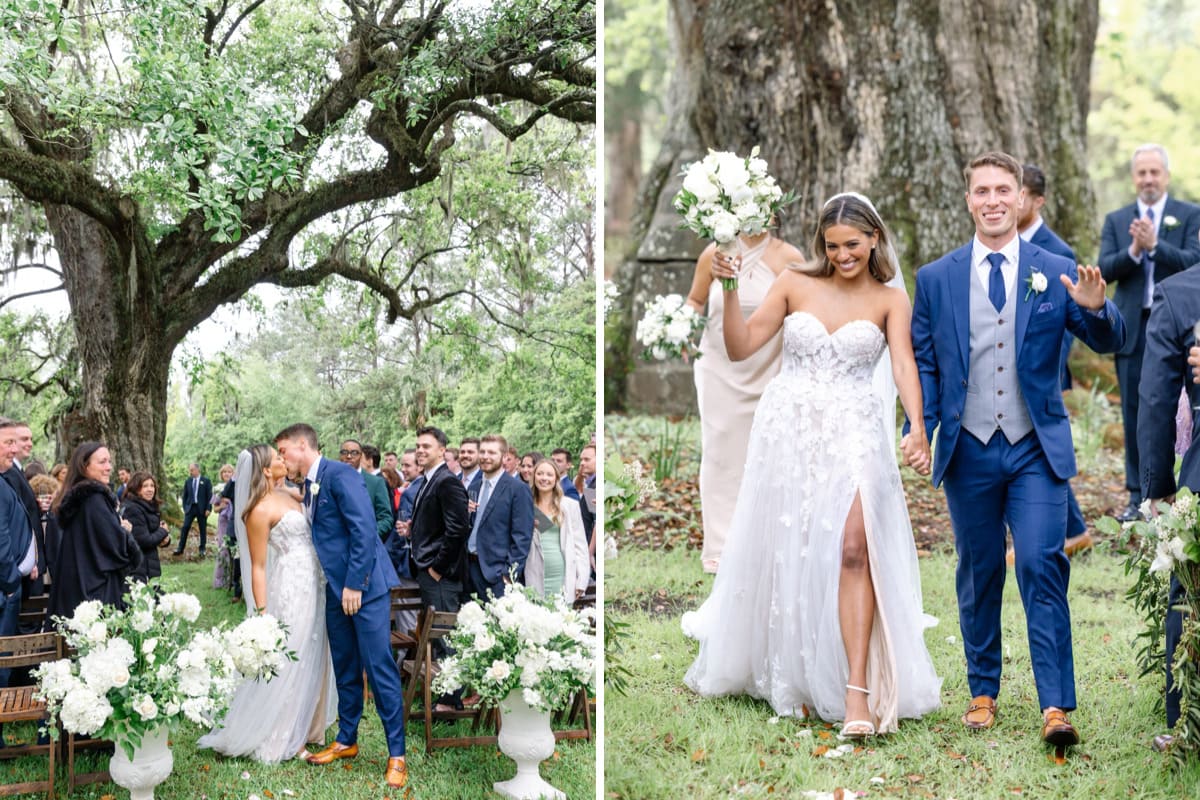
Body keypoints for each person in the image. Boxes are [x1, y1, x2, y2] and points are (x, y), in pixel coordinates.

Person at [684, 193, 940, 737]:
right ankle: (795, 675)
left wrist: (916, 427)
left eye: (852, 244)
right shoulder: (795, 283)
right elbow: (740, 346)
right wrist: (729, 290)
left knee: (854, 547)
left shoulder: (891, 299)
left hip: (855, 432)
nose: (843, 255)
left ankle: (856, 693)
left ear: (873, 239)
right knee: (793, 550)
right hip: (790, 433)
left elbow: (902, 363)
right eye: (832, 246)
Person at [906, 152, 1126, 749]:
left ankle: (1056, 705)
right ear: (969, 199)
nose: (994, 199)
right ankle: (983, 692)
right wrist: (920, 426)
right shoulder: (936, 278)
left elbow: (1110, 339)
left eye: (1004, 189)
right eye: (983, 190)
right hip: (969, 448)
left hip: (1035, 448)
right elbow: (924, 362)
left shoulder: (1053, 268)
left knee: (1038, 565)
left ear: (1022, 198)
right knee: (978, 572)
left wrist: (1096, 309)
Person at [273, 424, 407, 788]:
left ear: (303, 445)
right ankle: (347, 739)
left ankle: (397, 754)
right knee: (344, 665)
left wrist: (354, 584)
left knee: (378, 668)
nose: (282, 459)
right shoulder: (310, 483)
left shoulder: (341, 473)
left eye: (284, 451)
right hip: (335, 589)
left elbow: (364, 529)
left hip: (364, 587)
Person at [198, 445, 337, 763]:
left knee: (313, 649)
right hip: (290, 585)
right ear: (264, 469)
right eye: (278, 458)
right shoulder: (258, 510)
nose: (284, 460)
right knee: (293, 652)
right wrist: (261, 614)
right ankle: (281, 733)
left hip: (315, 582)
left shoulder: (293, 494)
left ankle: (306, 725)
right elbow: (258, 566)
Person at [686, 230, 805, 574]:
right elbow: (695, 300)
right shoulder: (713, 253)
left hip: (768, 364)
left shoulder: (789, 257)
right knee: (720, 449)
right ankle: (720, 546)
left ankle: (763, 538)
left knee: (765, 450)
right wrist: (680, 329)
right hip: (718, 367)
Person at [1099, 144, 1200, 522]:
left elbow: (1194, 262)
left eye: (1154, 172)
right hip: (1134, 328)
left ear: (1166, 176)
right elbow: (1104, 268)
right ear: (1133, 178)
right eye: (1141, 173)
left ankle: (1184, 484)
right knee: (1138, 411)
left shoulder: (1189, 215)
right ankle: (1137, 493)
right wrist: (1136, 251)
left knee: (1188, 405)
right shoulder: (1117, 219)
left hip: (1184, 325)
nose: (1148, 179)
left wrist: (1157, 246)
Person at [1137, 268, 1200, 751]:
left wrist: (1158, 489)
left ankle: (1185, 728)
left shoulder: (1178, 293)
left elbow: (1157, 399)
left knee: (1191, 586)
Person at [1013, 165, 1089, 560]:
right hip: (1004, 373)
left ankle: (1071, 530)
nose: (1012, 201)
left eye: (1020, 193)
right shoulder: (999, 242)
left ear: (1038, 200)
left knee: (1041, 448)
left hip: (1041, 374)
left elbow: (1066, 325)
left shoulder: (1057, 251)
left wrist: (1053, 373)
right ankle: (1072, 529)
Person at [407, 425, 470, 712]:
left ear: (442, 450)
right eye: (418, 446)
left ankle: (450, 700)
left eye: (426, 446)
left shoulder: (447, 482)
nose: (421, 450)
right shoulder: (427, 481)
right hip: (427, 570)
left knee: (446, 637)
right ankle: (445, 693)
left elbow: (458, 530)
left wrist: (438, 568)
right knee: (438, 636)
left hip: (441, 576)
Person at [49, 442, 142, 620]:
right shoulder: (94, 499)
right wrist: (124, 532)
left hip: (76, 583)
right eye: (102, 462)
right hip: (96, 590)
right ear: (85, 466)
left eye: (109, 461)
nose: (108, 467)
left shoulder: (79, 498)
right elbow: (116, 548)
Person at [465, 435, 533, 600]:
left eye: (491, 453)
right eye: (482, 452)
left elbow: (522, 537)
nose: (485, 457)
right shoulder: (473, 487)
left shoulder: (517, 489)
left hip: (496, 575)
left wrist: (507, 575)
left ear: (504, 457)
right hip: (468, 570)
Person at [524, 459, 589, 602]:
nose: (544, 478)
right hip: (534, 570)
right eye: (540, 474)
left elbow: (580, 545)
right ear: (534, 477)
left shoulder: (569, 505)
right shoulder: (526, 504)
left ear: (556, 479)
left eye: (549, 475)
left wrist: (582, 579)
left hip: (561, 572)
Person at [121, 472, 171, 583]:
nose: (150, 489)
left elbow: (153, 532)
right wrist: (163, 531)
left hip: (150, 563)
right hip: (139, 567)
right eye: (145, 486)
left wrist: (165, 540)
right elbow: (144, 541)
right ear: (135, 488)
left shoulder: (149, 506)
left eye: (152, 486)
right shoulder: (133, 509)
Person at [175, 462, 212, 556]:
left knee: (202, 528)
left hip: (202, 509)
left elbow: (209, 496)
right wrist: (185, 507)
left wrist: (208, 508)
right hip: (190, 508)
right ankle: (180, 548)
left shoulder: (206, 481)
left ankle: (202, 549)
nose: (190, 472)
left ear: (197, 470)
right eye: (190, 470)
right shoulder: (188, 481)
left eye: (192, 470)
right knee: (185, 527)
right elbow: (185, 496)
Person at [211, 463, 236, 589]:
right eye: (224, 472)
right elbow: (215, 509)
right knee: (223, 549)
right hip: (223, 521)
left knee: (234, 550)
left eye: (229, 472)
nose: (226, 474)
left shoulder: (236, 486)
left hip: (234, 519)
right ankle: (220, 580)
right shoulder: (218, 488)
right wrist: (222, 505)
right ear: (221, 474)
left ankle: (232, 579)